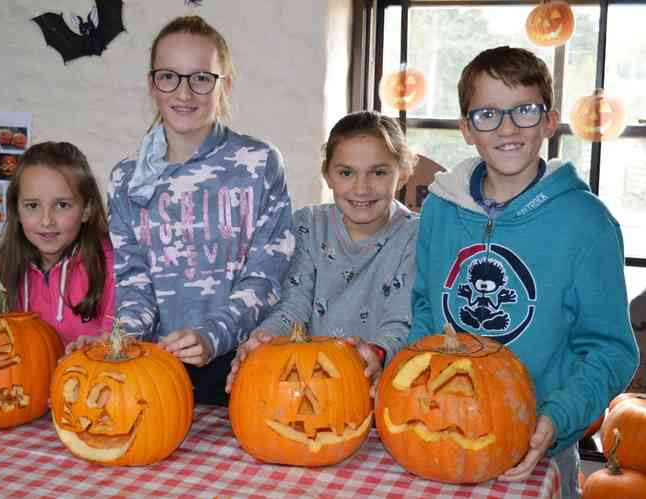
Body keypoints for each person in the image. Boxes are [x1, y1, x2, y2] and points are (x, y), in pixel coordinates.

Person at [409, 46, 639, 497]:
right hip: (437, 428)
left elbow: (612, 350)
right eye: (488, 114)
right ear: (466, 129)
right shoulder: (438, 208)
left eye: (525, 111)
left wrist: (557, 416)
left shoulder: (586, 223)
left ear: (549, 122)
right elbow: (424, 310)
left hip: (538, 450)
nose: (508, 128)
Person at [108, 15, 294, 406]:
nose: (184, 93)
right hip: (156, 371)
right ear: (152, 84)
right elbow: (133, 281)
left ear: (224, 84)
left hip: (244, 367)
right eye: (169, 76)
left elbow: (266, 276)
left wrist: (214, 334)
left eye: (201, 78)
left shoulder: (259, 163)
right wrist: (125, 341)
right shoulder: (126, 178)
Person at [225, 110, 419, 397]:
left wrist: (378, 352)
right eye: (346, 173)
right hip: (306, 385)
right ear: (327, 174)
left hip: (379, 386)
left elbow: (402, 317)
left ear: (402, 173)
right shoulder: (307, 225)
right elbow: (293, 305)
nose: (362, 188)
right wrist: (263, 340)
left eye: (379, 172)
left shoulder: (415, 235)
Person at [0, 141, 115, 348]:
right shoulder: (0, 272)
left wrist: (101, 347)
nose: (46, 221)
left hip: (89, 378)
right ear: (17, 210)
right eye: (32, 205)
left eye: (62, 205)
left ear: (86, 209)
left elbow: (120, 350)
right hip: (19, 380)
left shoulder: (111, 269)